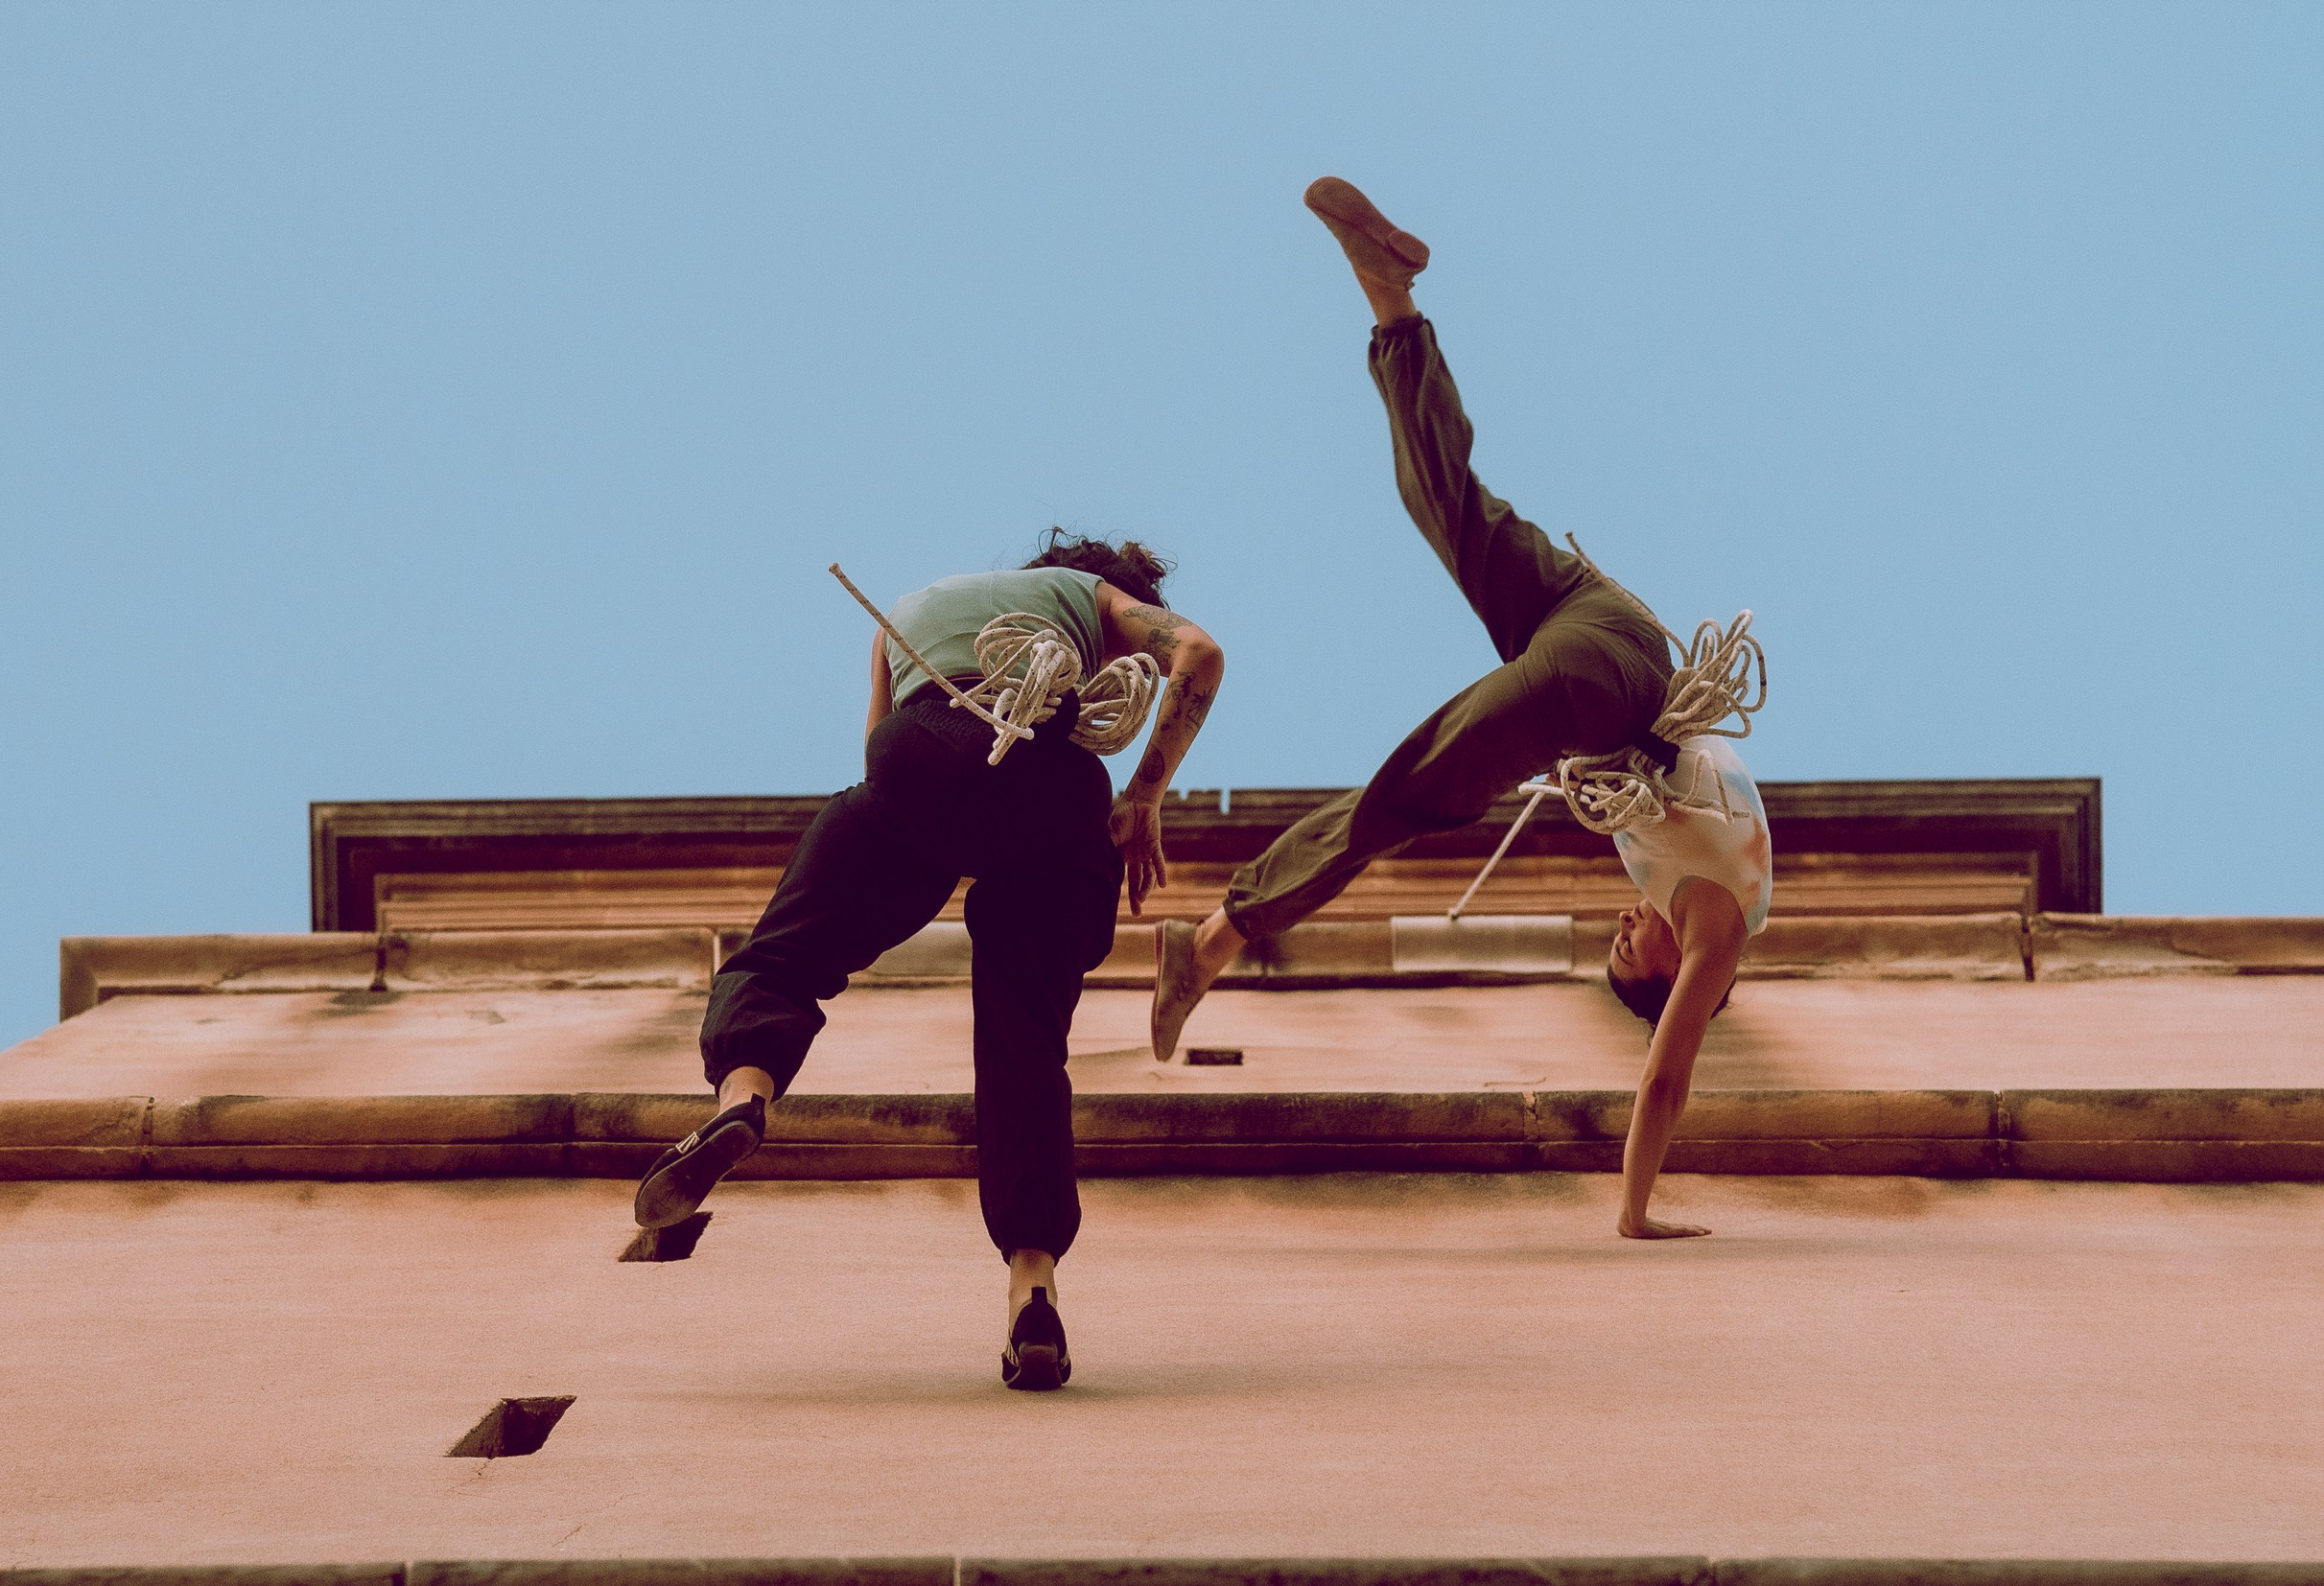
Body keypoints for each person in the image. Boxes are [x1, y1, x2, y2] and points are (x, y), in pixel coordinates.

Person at [1149, 177, 1769, 1241]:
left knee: (1447, 504)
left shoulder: (1696, 888)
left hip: (1600, 626)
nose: (1624, 929)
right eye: (1632, 954)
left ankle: (1390, 303)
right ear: (1681, 984)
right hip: (1606, 681)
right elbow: (1665, 1083)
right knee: (1415, 792)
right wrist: (1633, 1213)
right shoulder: (1714, 930)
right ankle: (1216, 936)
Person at [635, 531, 1224, 1388]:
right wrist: (1143, 797)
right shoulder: (1093, 599)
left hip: (914, 762)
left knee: (783, 958)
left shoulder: (904, 616)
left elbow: (879, 751)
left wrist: (923, 827)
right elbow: (1198, 656)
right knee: (1026, 1048)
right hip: (1051, 791)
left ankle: (742, 1099)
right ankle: (1034, 1287)